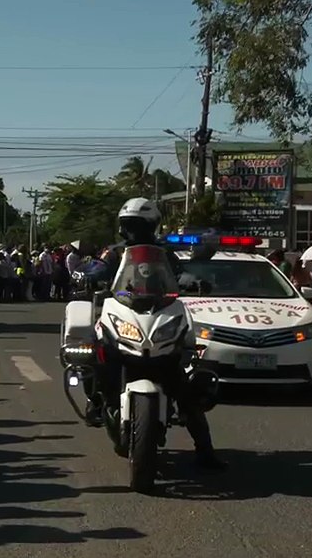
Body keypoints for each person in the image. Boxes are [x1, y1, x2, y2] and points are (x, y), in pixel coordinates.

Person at [91, 198, 224, 470]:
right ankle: (96, 399)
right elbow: (99, 269)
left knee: (183, 384)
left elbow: (180, 275)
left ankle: (205, 450)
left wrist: (193, 282)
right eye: (128, 224)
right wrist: (87, 273)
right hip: (125, 311)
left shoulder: (163, 253)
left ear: (152, 225)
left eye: (138, 225)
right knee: (97, 353)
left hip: (158, 312)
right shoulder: (115, 253)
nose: (132, 231)